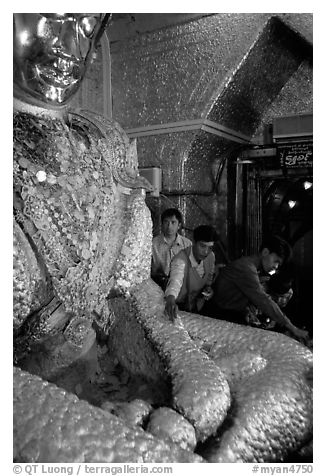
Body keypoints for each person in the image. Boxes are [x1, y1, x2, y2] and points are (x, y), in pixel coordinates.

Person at [208, 235, 309, 342]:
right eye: (276, 261)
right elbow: (264, 301)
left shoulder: (254, 270)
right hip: (219, 317)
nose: (276, 266)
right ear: (265, 252)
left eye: (279, 264)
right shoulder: (246, 268)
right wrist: (292, 327)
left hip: (230, 316)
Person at [164, 225, 218, 321]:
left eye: (210, 248)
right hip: (177, 309)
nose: (206, 251)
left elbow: (209, 276)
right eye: (202, 246)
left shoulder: (211, 256)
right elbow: (175, 281)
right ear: (193, 242)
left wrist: (208, 288)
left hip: (195, 308)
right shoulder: (180, 260)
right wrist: (171, 299)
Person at [151, 208, 192, 290]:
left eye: (173, 222)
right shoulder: (153, 244)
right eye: (166, 222)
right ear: (162, 224)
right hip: (157, 286)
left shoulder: (187, 244)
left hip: (181, 285)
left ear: (179, 225)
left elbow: (192, 269)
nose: (169, 226)